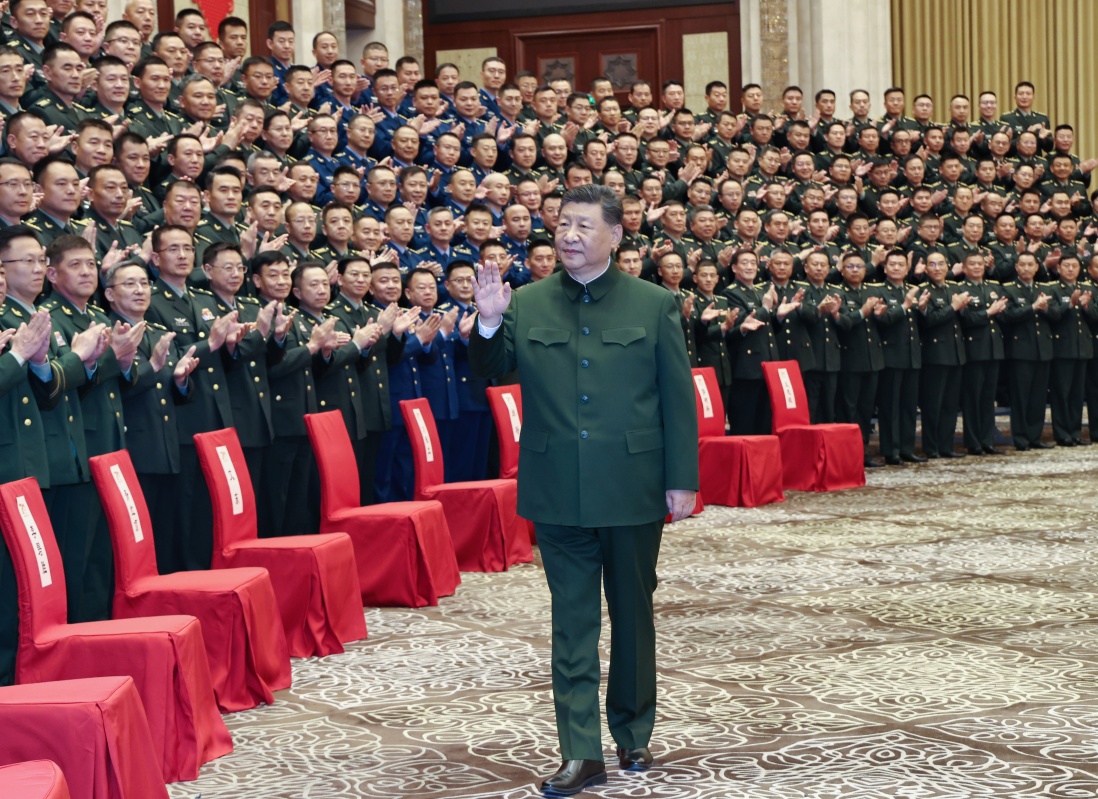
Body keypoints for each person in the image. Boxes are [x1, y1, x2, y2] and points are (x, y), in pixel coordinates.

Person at [469, 184, 698, 795]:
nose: (569, 235)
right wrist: (488, 321)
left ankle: (632, 729)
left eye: (583, 225)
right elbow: (488, 370)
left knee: (632, 612)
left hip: (632, 486)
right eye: (563, 224)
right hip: (557, 489)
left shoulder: (654, 303)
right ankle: (580, 751)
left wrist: (682, 479)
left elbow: (678, 399)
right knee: (571, 623)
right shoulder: (528, 301)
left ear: (616, 235)